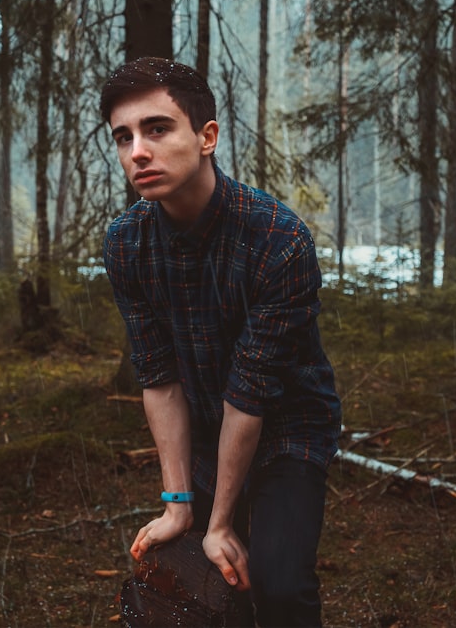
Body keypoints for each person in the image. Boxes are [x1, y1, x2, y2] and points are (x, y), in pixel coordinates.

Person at [101, 56, 342, 627]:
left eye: (157, 129)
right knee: (190, 587)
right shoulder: (125, 243)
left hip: (289, 427)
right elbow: (158, 380)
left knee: (279, 587)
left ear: (206, 136)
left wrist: (221, 523)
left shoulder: (279, 239)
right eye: (124, 136)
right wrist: (178, 505)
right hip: (208, 428)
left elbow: (251, 394)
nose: (138, 151)